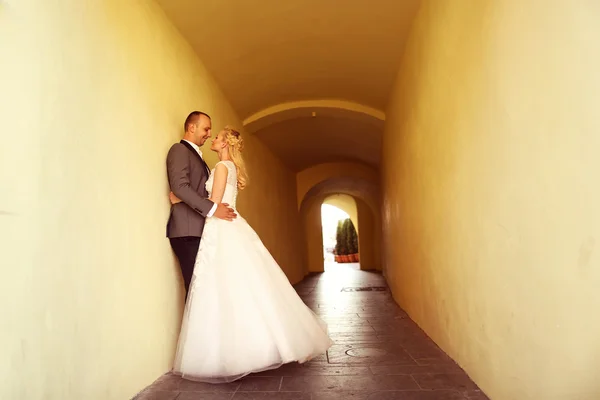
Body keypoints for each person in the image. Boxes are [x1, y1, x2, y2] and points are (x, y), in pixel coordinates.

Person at [169, 126, 333, 383]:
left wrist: (179, 199)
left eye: (217, 136)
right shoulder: (230, 168)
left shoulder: (223, 167)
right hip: (231, 227)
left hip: (221, 228)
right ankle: (255, 346)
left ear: (225, 144)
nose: (213, 137)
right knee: (242, 285)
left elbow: (214, 200)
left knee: (222, 287)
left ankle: (232, 352)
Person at [166, 111, 237, 299]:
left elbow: (196, 191)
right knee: (197, 291)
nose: (208, 133)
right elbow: (180, 186)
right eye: (206, 129)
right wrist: (213, 209)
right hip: (187, 231)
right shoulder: (179, 150)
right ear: (191, 127)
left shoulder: (202, 159)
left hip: (200, 231)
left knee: (206, 289)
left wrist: (181, 199)